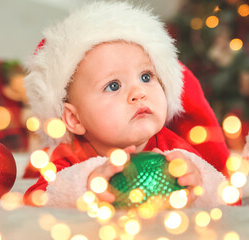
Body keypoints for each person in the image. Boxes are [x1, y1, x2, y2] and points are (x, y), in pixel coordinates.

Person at [23, 1, 230, 207]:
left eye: (147, 77)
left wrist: (198, 181)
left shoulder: (172, 149)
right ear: (74, 119)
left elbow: (223, 192)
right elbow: (37, 199)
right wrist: (86, 185)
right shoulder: (71, 155)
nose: (139, 92)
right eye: (113, 85)